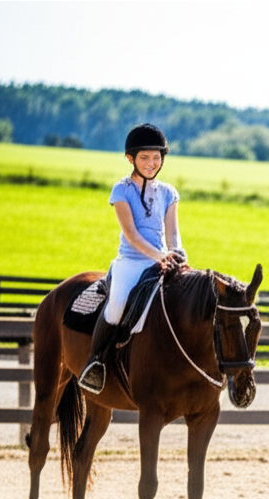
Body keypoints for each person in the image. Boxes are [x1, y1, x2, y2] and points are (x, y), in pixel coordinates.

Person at [78, 123, 185, 394]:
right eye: (145, 157)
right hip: (131, 261)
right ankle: (96, 362)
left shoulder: (168, 193)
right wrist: (161, 256)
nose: (151, 163)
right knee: (116, 306)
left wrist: (179, 256)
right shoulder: (121, 190)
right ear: (131, 159)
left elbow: (173, 232)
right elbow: (133, 235)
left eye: (156, 157)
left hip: (162, 260)